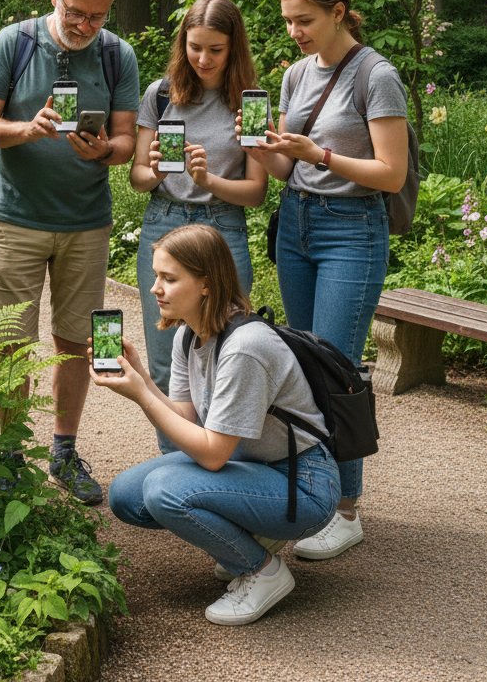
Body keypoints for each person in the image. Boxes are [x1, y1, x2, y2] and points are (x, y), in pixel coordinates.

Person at [93, 224, 340, 625]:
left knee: (163, 491)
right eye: (156, 275)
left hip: (303, 485)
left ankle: (261, 571)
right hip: (253, 466)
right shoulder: (189, 336)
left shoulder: (245, 348)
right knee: (126, 495)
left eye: (169, 279)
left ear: (205, 285)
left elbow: (211, 454)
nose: (156, 288)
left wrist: (141, 394)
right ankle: (251, 538)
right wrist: (140, 377)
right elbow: (186, 417)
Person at [243, 0, 408, 560]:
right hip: (298, 225)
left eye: (305, 20)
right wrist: (262, 150)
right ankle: (310, 495)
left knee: (337, 371)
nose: (295, 32)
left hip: (352, 231)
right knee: (304, 365)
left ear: (339, 11)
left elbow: (390, 174)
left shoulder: (376, 75)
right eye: (288, 21)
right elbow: (290, 167)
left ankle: (345, 510)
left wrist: (322, 153)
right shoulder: (292, 76)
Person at [0, 0, 140, 504]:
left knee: (77, 341)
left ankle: (63, 453)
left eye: (97, 16)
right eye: (76, 12)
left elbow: (127, 141)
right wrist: (26, 129)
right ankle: (10, 453)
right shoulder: (12, 42)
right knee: (13, 343)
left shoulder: (119, 57)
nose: (86, 25)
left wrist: (106, 150)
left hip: (86, 224)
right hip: (17, 218)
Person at [130, 0, 267, 429]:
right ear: (182, 44)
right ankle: (176, 464)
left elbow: (256, 192)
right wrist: (152, 171)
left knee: (226, 357)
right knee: (166, 361)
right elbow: (136, 177)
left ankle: (222, 463)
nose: (203, 59)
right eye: (194, 47)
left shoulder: (252, 102)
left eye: (215, 49)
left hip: (223, 228)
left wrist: (209, 181)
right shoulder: (161, 93)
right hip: (164, 222)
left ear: (234, 48)